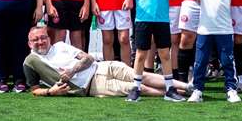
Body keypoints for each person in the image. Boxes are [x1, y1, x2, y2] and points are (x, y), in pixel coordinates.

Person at [22, 26, 189, 102]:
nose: (40, 42)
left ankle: (189, 88)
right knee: (139, 88)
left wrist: (72, 70)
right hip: (91, 85)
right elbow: (35, 90)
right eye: (35, 40)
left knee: (141, 76)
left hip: (101, 66)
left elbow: (88, 58)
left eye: (43, 38)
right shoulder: (31, 61)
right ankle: (178, 94)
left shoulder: (60, 46)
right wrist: (51, 92)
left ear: (49, 38)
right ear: (29, 43)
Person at [184, 0, 242, 104]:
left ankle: (231, 89)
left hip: (224, 29)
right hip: (205, 28)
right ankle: (198, 90)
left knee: (227, 61)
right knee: (201, 61)